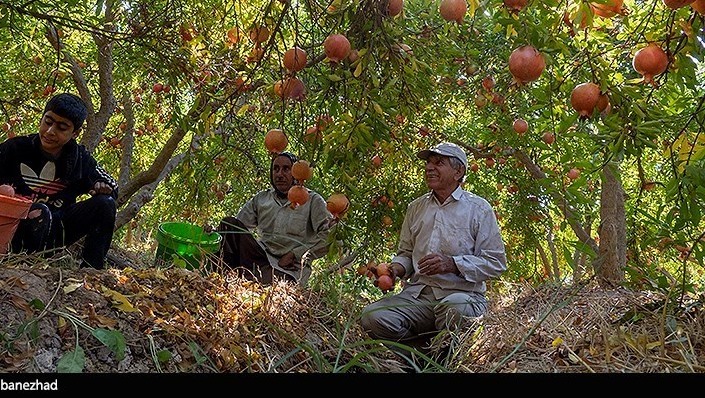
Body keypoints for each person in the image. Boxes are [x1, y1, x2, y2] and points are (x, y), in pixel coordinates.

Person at [360, 142, 507, 352]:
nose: (429, 168)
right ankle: (419, 355)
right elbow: (406, 254)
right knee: (372, 317)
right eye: (428, 163)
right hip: (418, 296)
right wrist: (396, 270)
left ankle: (447, 356)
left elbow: (496, 263)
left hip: (461, 296)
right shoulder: (416, 208)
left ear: (458, 172)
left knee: (456, 309)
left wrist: (453, 264)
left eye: (438, 163)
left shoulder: (479, 209)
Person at [0, 93, 118, 269]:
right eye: (48, 122)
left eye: (61, 127)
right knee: (37, 210)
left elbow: (112, 185)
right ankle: (15, 259)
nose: (50, 131)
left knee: (106, 204)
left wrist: (104, 188)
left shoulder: (82, 160)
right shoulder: (14, 148)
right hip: (10, 229)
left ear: (75, 133)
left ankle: (92, 269)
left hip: (54, 233)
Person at [214, 151, 334, 286]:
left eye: (286, 169)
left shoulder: (312, 201)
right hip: (259, 258)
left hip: (287, 271)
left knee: (263, 286)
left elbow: (330, 236)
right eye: (276, 169)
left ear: (296, 173)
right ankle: (219, 275)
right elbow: (236, 229)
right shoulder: (262, 198)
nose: (280, 174)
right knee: (228, 224)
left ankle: (243, 277)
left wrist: (296, 254)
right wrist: (212, 233)